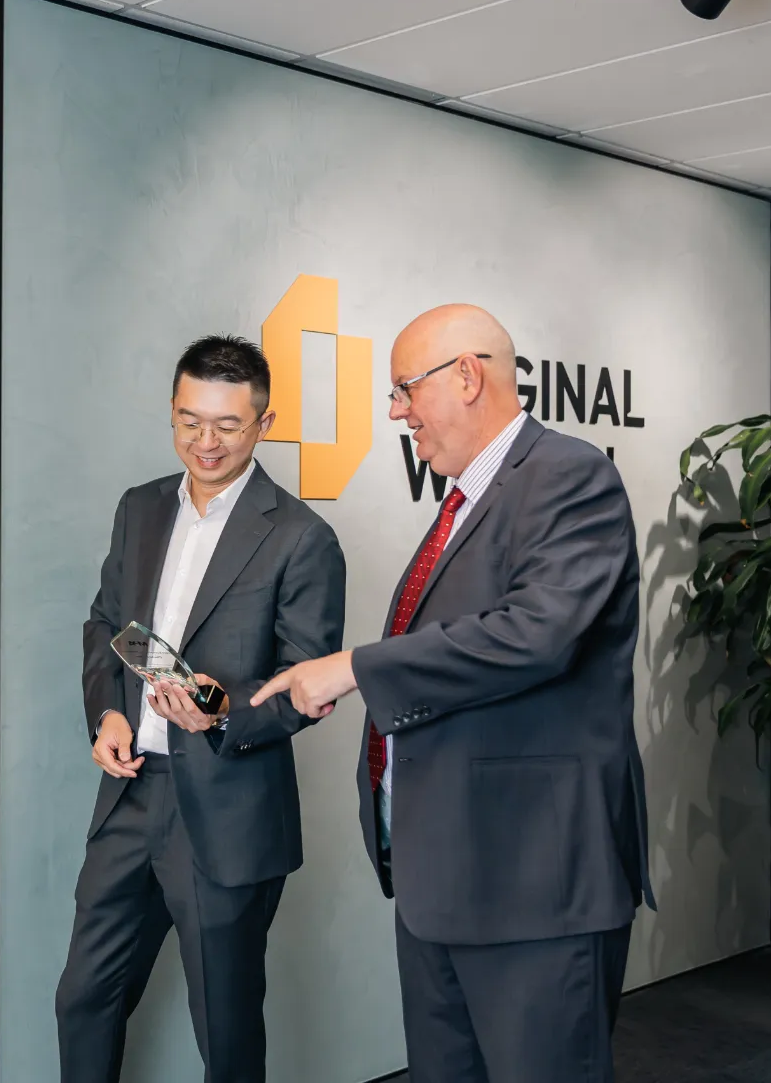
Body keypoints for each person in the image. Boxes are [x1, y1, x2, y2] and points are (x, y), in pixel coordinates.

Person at [251, 304, 654, 1083]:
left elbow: (536, 634)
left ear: (466, 376)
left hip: (533, 884)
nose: (396, 412)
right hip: (442, 879)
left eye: (403, 389)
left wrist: (353, 667)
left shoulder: (568, 475)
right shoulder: (464, 501)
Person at [56, 334, 347, 1083]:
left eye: (225, 424)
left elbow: (303, 685)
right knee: (83, 999)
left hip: (227, 811)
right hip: (130, 792)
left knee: (223, 1026)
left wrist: (215, 710)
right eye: (189, 421)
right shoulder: (141, 508)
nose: (204, 441)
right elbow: (107, 622)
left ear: (263, 422)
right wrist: (110, 715)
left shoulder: (300, 538)